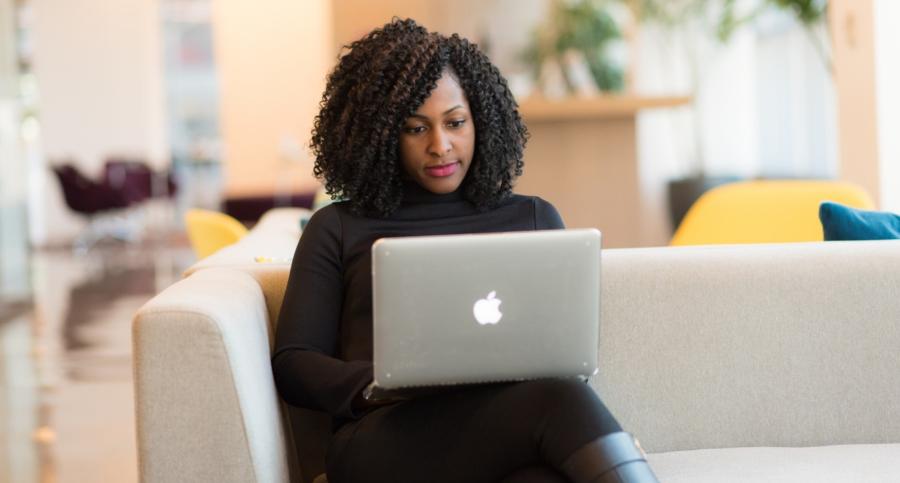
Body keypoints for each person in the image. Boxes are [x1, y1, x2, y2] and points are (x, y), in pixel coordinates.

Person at [273, 18, 659, 483]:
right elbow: (294, 362)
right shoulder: (336, 227)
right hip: (384, 439)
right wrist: (380, 383)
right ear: (380, 135)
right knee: (560, 401)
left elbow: (560, 348)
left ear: (481, 119)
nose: (440, 146)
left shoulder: (533, 218)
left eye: (455, 123)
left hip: (511, 425)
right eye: (416, 128)